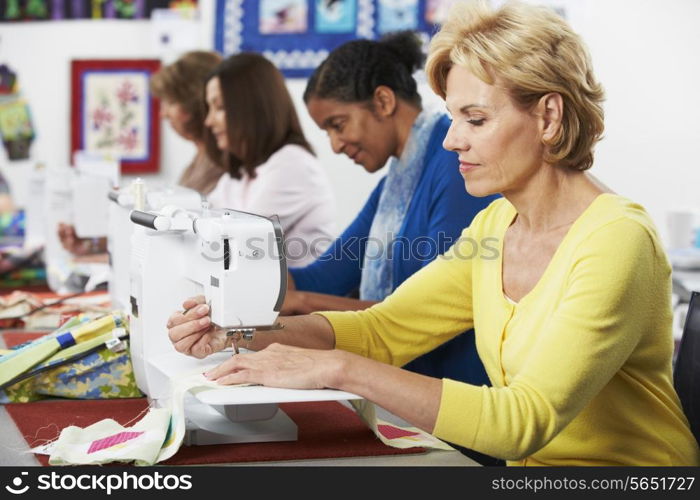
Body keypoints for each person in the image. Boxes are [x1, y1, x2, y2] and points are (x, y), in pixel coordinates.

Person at [166, 1, 700, 465]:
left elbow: (523, 420)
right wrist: (239, 332)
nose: (451, 142)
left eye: (475, 119)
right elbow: (382, 330)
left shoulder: (616, 239)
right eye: (452, 119)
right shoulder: (497, 224)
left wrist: (336, 369)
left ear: (549, 117)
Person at [283, 32, 498, 388]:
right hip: (412, 381)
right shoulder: (397, 184)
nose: (335, 145)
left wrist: (300, 301)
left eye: (338, 125)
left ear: (383, 101)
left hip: (454, 390)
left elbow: (427, 315)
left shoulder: (456, 165)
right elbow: (325, 277)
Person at [58, 51, 225, 256]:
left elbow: (182, 240)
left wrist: (95, 245)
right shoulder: (199, 163)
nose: (163, 114)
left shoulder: (221, 167)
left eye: (170, 103)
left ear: (194, 104)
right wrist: (93, 244)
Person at [202, 52, 336, 267]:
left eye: (220, 108)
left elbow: (233, 244)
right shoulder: (242, 173)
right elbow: (201, 221)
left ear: (251, 108)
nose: (209, 121)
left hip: (303, 296)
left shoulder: (291, 164)